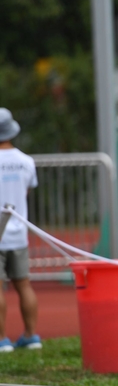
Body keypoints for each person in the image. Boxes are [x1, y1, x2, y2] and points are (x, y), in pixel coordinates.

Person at [0, 107, 42, 352]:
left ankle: (2, 339)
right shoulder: (26, 161)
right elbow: (25, 190)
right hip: (18, 233)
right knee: (24, 284)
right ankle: (31, 335)